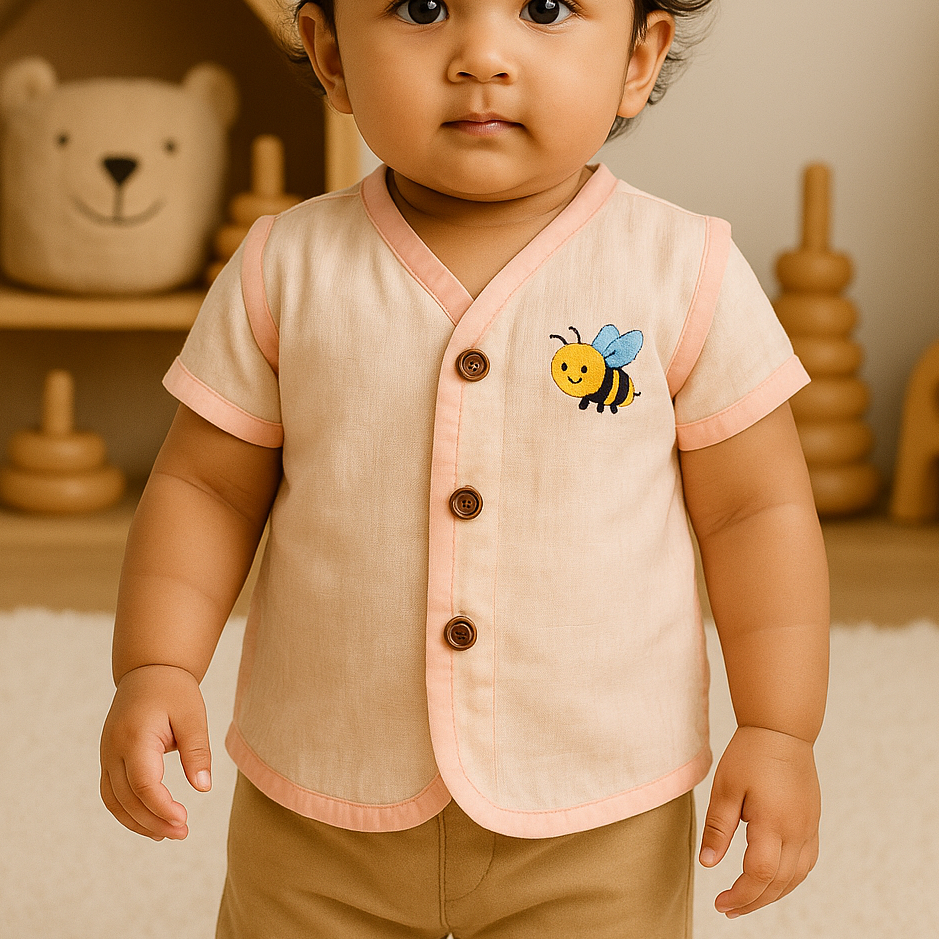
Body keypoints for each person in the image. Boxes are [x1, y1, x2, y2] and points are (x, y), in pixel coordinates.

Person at [99, 1, 830, 936]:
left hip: (595, 808)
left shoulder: (683, 271)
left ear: (638, 57)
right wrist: (155, 663)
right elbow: (203, 487)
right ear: (329, 53)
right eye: (422, 7)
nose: (480, 55)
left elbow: (755, 513)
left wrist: (778, 727)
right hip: (321, 802)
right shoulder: (284, 268)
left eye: (545, 8)